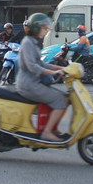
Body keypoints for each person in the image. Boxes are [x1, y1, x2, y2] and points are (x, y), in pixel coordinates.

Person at [15, 13, 70, 142]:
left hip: (34, 83)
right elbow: (33, 67)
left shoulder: (33, 42)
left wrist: (59, 68)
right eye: (44, 28)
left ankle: (53, 128)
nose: (46, 31)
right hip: (28, 85)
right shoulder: (28, 43)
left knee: (66, 98)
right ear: (36, 28)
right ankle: (46, 132)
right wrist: (53, 73)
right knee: (60, 99)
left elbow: (40, 63)